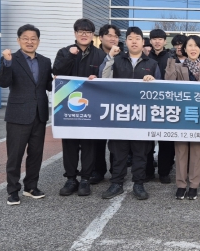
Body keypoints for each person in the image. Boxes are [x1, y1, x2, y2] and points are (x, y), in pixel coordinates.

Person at [100, 26, 161, 200]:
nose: (134, 42)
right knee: (118, 152)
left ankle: (139, 184)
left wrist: (153, 81)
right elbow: (103, 78)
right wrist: (110, 57)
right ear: (126, 42)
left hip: (141, 116)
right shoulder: (117, 60)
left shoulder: (152, 64)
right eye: (130, 38)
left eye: (137, 38)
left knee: (140, 152)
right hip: (120, 115)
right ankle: (116, 183)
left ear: (143, 42)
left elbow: (159, 90)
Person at [0, 24, 53, 205]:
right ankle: (13, 190)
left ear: (38, 41)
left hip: (39, 114)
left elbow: (48, 85)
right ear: (18, 40)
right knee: (15, 155)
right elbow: (3, 82)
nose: (30, 42)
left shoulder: (45, 61)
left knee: (36, 154)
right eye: (25, 38)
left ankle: (31, 187)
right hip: (18, 115)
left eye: (33, 39)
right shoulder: (10, 59)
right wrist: (7, 63)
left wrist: (60, 80)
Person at [53, 19, 106, 197]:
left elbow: (106, 78)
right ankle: (70, 179)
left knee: (89, 143)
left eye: (88, 32)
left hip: (90, 106)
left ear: (93, 35)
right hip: (67, 106)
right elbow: (56, 72)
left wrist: (97, 79)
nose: (84, 35)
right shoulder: (64, 52)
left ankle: (85, 179)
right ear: (75, 33)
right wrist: (70, 56)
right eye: (81, 32)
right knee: (69, 143)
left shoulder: (100, 55)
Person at [165, 35, 200, 200]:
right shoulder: (177, 66)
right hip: (181, 114)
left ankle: (194, 185)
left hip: (199, 115)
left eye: (196, 46)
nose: (193, 49)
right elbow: (168, 82)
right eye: (190, 45)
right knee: (181, 150)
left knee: (197, 151)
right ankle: (181, 184)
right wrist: (171, 61)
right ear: (184, 49)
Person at [90, 24, 122, 185]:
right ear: (101, 37)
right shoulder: (93, 55)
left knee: (116, 142)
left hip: (117, 104)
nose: (113, 38)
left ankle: (116, 172)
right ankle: (98, 171)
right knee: (98, 141)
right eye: (109, 35)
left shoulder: (122, 56)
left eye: (116, 36)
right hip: (97, 104)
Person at [147, 28, 175, 184]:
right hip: (148, 104)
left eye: (160, 39)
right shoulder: (145, 58)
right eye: (154, 39)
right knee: (147, 140)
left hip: (167, 104)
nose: (157, 42)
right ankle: (148, 171)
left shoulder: (171, 59)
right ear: (150, 41)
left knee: (166, 141)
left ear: (165, 41)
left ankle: (164, 172)